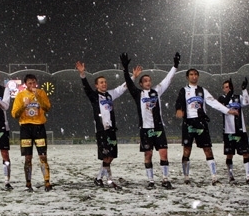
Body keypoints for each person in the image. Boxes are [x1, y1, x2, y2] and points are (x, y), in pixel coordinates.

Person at [121, 52, 179, 190]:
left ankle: (165, 179)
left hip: (159, 128)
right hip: (146, 129)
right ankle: (151, 181)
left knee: (164, 153)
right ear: (141, 84)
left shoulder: (157, 91)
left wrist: (175, 66)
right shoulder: (138, 94)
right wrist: (125, 69)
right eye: (145, 81)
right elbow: (129, 84)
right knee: (148, 154)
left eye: (149, 80)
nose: (148, 82)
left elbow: (167, 79)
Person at [175, 68, 239, 185]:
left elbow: (213, 102)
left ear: (198, 77)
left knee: (208, 150)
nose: (194, 76)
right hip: (188, 123)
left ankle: (214, 177)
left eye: (195, 74)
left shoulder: (202, 91)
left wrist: (228, 111)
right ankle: (186, 177)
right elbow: (178, 102)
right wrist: (179, 110)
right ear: (187, 77)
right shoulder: (183, 90)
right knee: (187, 150)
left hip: (201, 122)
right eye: (191, 74)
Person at [76, 60, 127, 189]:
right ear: (97, 85)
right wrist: (82, 74)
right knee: (106, 156)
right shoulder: (94, 96)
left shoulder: (110, 95)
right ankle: (109, 180)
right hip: (102, 130)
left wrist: (133, 77)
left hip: (111, 130)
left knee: (111, 157)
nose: (104, 84)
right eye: (101, 82)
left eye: (105, 82)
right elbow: (87, 88)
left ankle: (99, 178)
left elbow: (122, 88)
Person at [11, 74, 52, 192]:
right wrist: (24, 106)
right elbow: (14, 114)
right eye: (30, 83)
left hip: (39, 127)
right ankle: (28, 183)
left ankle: (47, 182)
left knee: (43, 156)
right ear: (25, 84)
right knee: (28, 158)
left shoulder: (41, 93)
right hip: (25, 128)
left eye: (34, 83)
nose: (32, 85)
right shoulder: (20, 95)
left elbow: (47, 108)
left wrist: (38, 97)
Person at [218, 77, 249, 184]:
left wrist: (244, 89)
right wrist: (230, 93)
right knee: (230, 155)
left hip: (241, 130)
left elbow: (246, 102)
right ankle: (231, 176)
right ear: (223, 89)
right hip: (229, 131)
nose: (228, 89)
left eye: (229, 87)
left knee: (246, 154)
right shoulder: (222, 98)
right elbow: (223, 104)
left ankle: (248, 177)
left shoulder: (238, 97)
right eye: (226, 87)